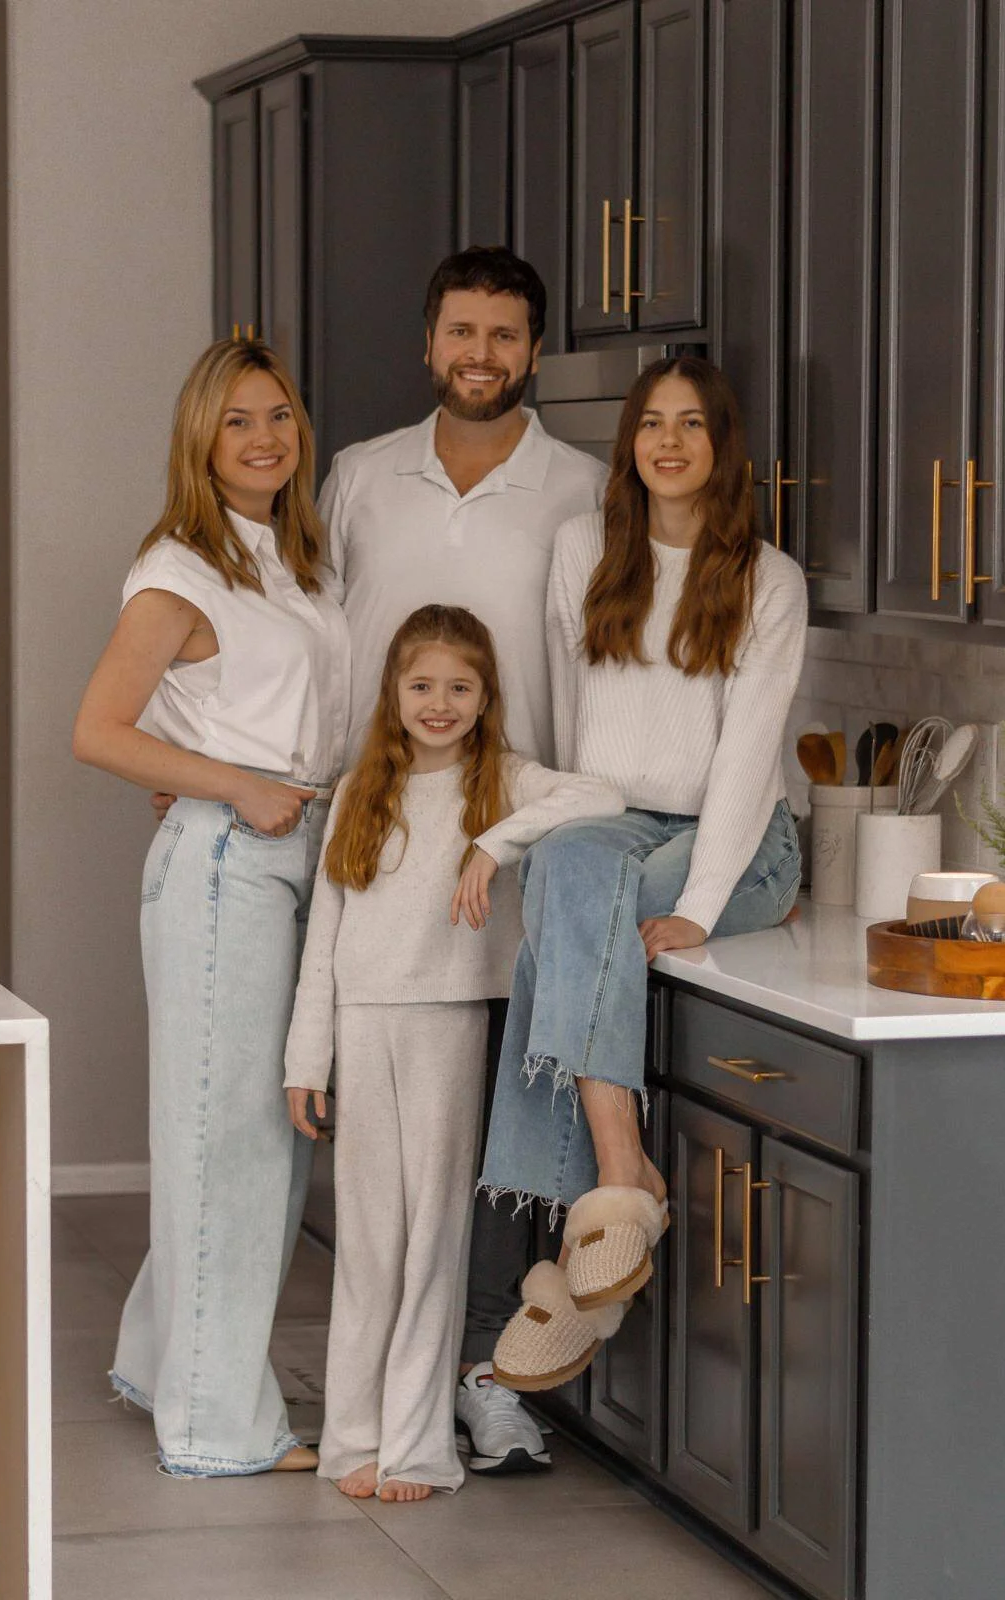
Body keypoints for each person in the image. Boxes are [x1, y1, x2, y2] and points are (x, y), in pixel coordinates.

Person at [319, 246, 607, 1471]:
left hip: (516, 853)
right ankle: (375, 1392)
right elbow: (326, 650)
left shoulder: (586, 490)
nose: (479, 355)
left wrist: (531, 831)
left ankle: (482, 1376)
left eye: (504, 335)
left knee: (497, 1148)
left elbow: (597, 675)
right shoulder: (358, 478)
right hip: (371, 843)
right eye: (460, 332)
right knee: (376, 1152)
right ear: (428, 343)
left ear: (534, 351)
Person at [480, 356, 807, 1391]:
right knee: (569, 878)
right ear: (629, 443)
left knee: (560, 926)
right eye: (651, 423)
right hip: (608, 824)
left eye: (691, 425)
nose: (668, 442)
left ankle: (589, 1255)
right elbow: (556, 709)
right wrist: (539, 814)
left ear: (723, 446)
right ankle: (620, 1184)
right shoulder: (584, 548)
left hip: (741, 840)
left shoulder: (768, 578)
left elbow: (750, 762)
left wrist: (702, 905)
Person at [73, 338, 351, 1475]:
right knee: (228, 1143)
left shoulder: (291, 560)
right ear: (201, 438)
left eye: (279, 416)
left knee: (249, 1139)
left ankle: (160, 1363)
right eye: (238, 421)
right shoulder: (179, 570)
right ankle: (214, 1425)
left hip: (296, 855)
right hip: (231, 859)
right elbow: (98, 729)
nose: (265, 439)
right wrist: (235, 784)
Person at [282, 606, 621, 1501]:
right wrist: (304, 1062)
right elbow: (325, 935)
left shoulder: (500, 780)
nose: (440, 703)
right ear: (393, 692)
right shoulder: (362, 787)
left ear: (485, 697)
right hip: (361, 1022)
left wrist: (493, 839)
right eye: (422, 685)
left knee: (434, 1240)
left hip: (451, 1023)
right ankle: (353, 1440)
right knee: (367, 1246)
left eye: (460, 687)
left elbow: (602, 796)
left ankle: (418, 1447)